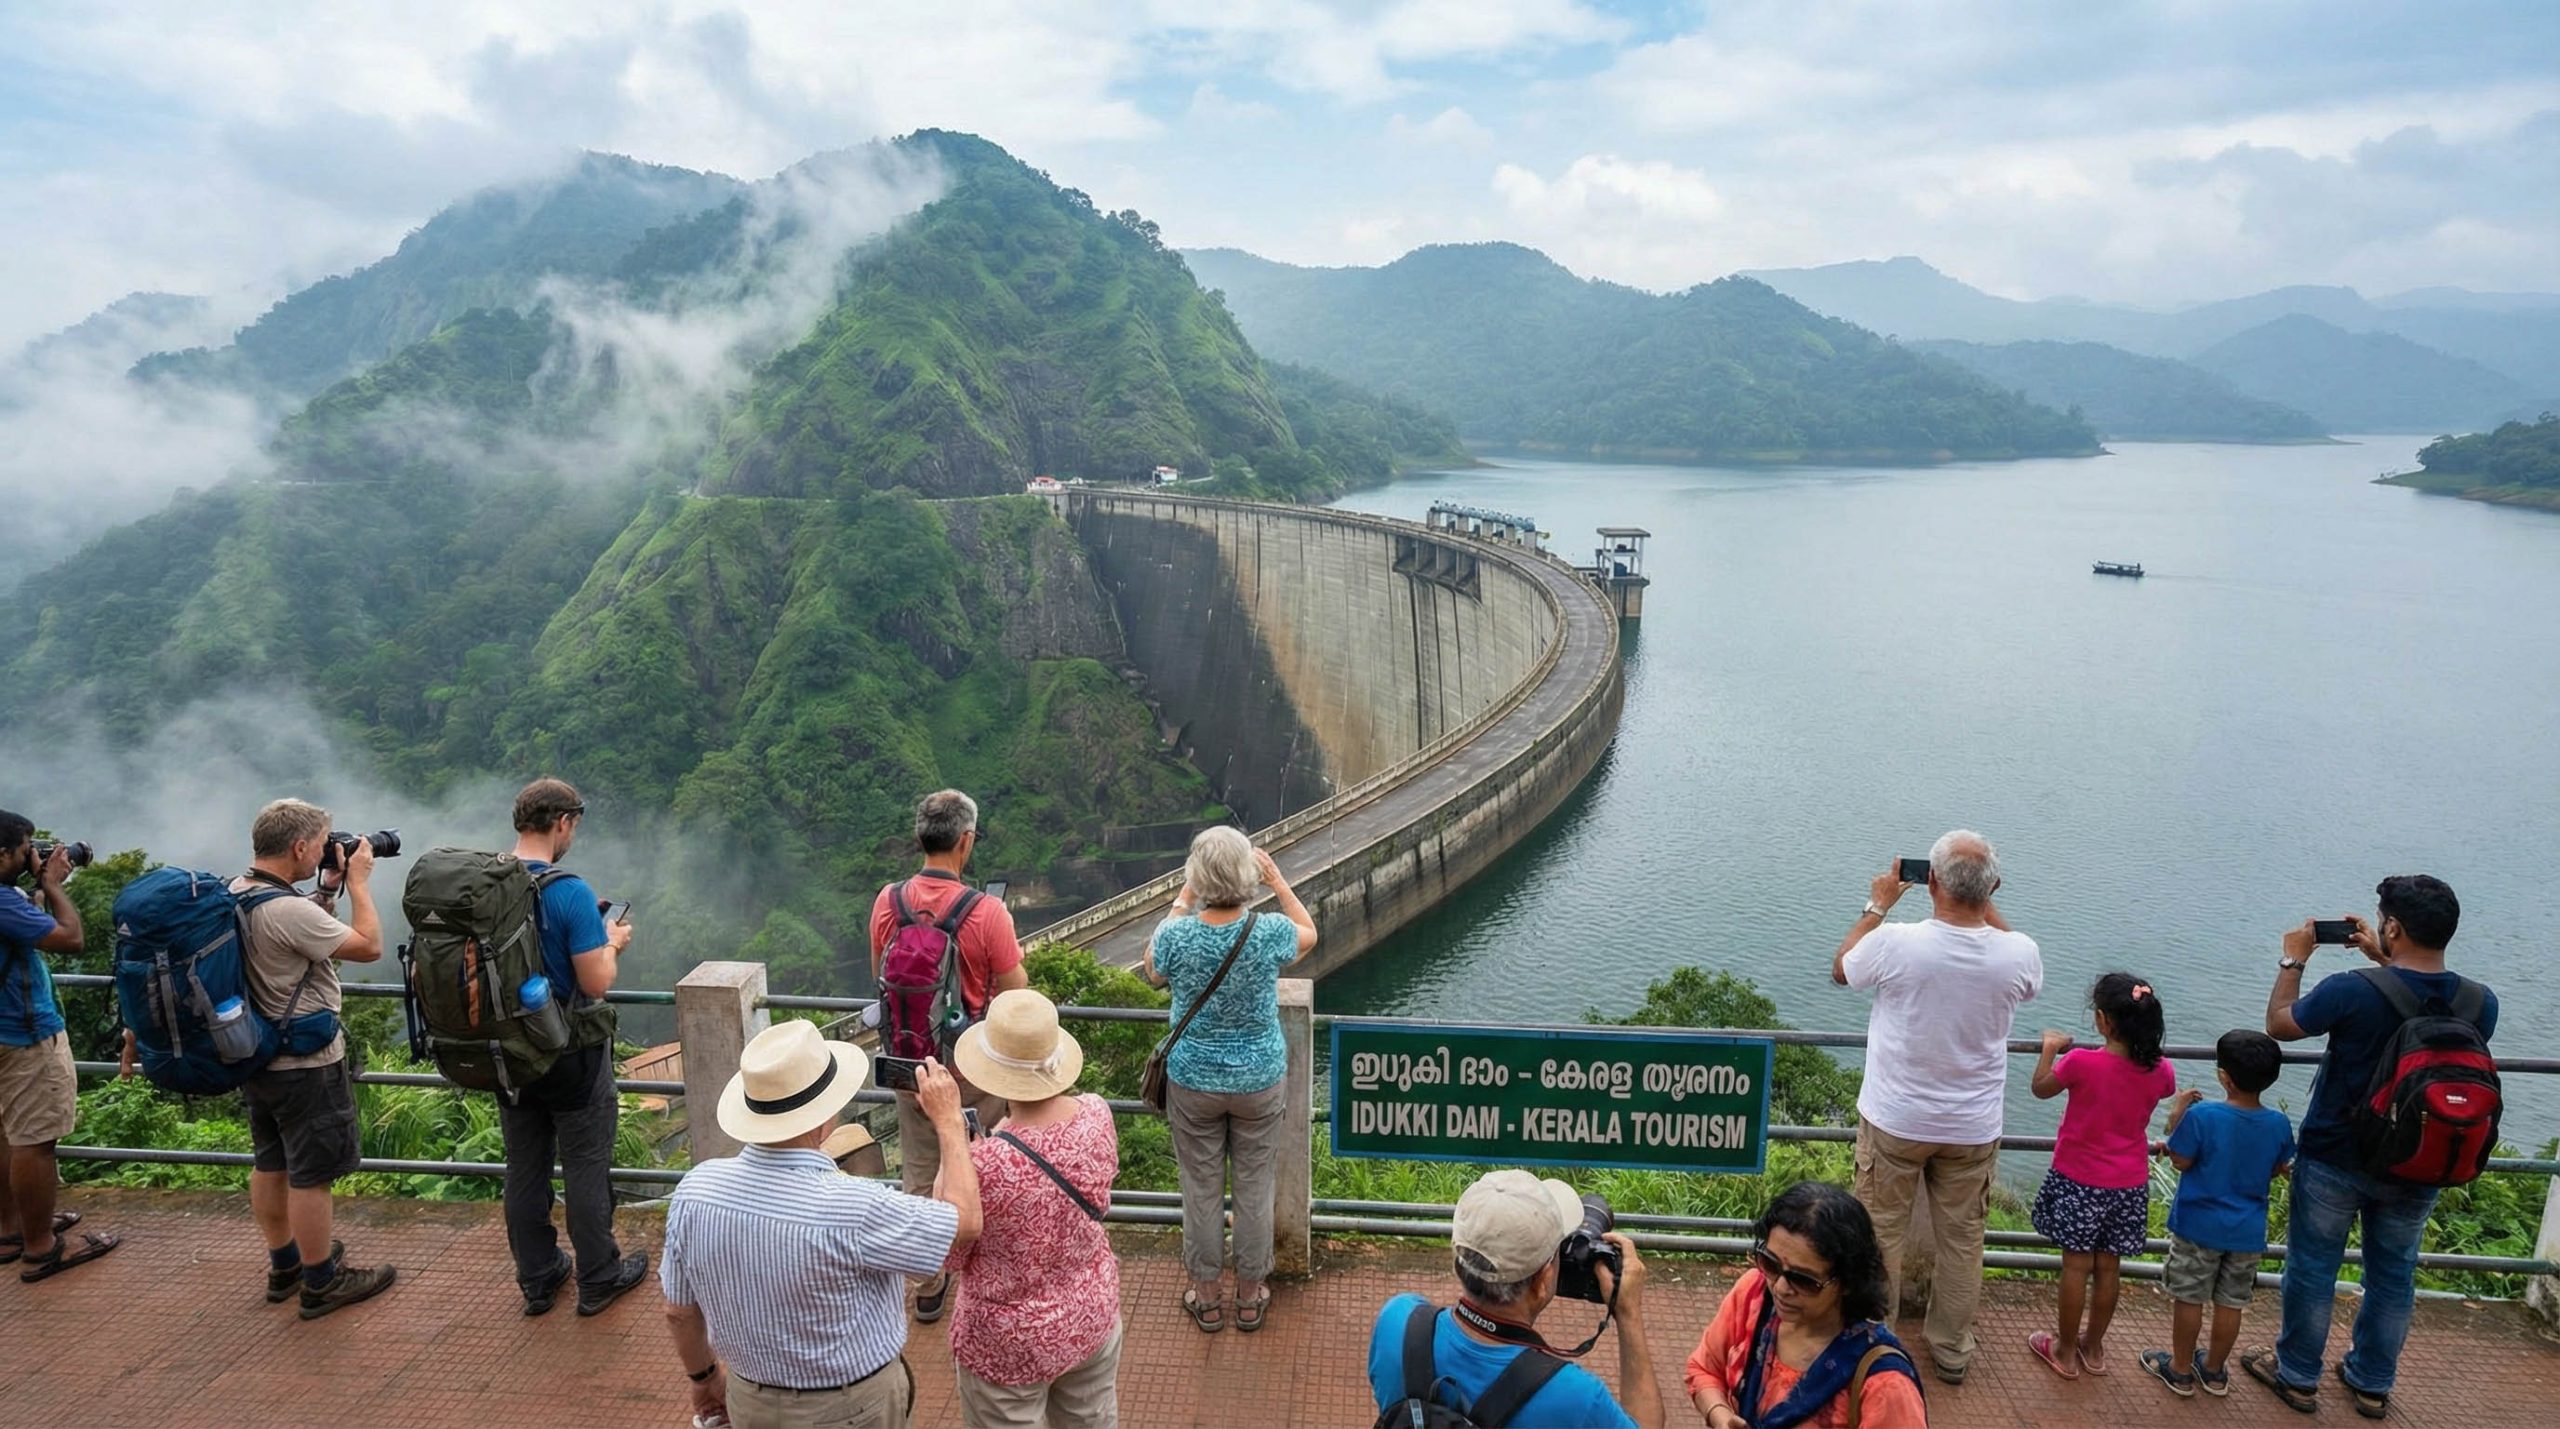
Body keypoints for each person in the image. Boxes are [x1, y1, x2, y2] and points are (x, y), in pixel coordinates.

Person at [2244, 876, 2497, 1419]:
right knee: (2394, 1272)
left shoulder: (2352, 990)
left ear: (2393, 926)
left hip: (2338, 1155)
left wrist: (2293, 961)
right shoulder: (2481, 1002)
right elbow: (2423, 1009)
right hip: (2422, 1158)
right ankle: (2371, 1381)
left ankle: (2297, 1376)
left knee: (2313, 1268)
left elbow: (2280, 1026)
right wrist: (2386, 957)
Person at [661, 1020, 981, 1429]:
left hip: (750, 1399)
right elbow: (964, 1222)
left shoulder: (695, 1192)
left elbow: (678, 1312)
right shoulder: (856, 1206)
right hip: (851, 1408)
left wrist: (704, 1379)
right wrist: (950, 1122)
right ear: (823, 1120)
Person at [1829, 829, 2042, 1384]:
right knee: (1965, 1240)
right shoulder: (2018, 953)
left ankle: (1877, 1349)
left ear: (1932, 884)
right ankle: (1951, 1349)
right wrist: (1980, 896)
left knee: (1880, 1236)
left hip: (1896, 1119)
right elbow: (2023, 971)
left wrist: (1879, 903)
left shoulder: (1897, 942)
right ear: (1993, 887)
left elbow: (1842, 967)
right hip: (1971, 1128)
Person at [1140, 826, 1315, 1334]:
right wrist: (1279, 883)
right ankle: (1250, 1294)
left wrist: (1184, 896)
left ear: (1196, 875)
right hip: (1259, 1080)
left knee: (1200, 1189)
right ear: (1248, 875)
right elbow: (1308, 933)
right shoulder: (1267, 934)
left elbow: (1152, 971)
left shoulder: (1177, 935)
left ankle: (1208, 1297)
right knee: (1255, 1188)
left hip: (1193, 1080)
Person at [234, 798, 397, 1318]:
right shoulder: (288, 909)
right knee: (312, 1173)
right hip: (305, 1061)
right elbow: (369, 946)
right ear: (300, 846)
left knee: (271, 1160)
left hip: (255, 1053)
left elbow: (298, 935)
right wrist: (359, 885)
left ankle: (285, 1264)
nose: (329, 849)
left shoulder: (238, 892)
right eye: (323, 842)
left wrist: (325, 889)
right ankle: (322, 1280)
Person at [868, 788, 1025, 1324]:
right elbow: (1016, 993)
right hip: (971, 1070)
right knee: (988, 1163)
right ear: (966, 841)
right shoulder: (988, 912)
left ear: (920, 838)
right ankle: (990, 1275)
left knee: (920, 1168)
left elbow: (881, 975)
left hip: (911, 1063)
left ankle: (929, 1284)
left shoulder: (888, 902)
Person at [499, 778, 647, 1317]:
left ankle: (538, 1278)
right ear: (562, 822)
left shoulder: (486, 881)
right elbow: (595, 982)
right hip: (568, 1054)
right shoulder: (568, 891)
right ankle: (598, 1277)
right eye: (574, 827)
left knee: (524, 1165)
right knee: (585, 1164)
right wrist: (611, 941)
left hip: (507, 1053)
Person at [944, 988, 1122, 1427]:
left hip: (1008, 1346)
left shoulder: (983, 1165)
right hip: (1090, 1316)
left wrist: (951, 1138)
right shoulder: (1097, 1115)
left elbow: (949, 1254)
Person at [1367, 1169, 1662, 1428]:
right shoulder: (1575, 1398)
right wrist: (1627, 1312)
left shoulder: (1398, 1324)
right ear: (1544, 1280)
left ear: (1458, 1258)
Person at [2025, 972, 2176, 1378]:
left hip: (2079, 1177)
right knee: (2109, 1267)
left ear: (2104, 1022)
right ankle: (2094, 1349)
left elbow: (2041, 1088)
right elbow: (2160, 1091)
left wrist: (2048, 1050)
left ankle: (2065, 1350)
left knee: (2075, 1266)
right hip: (2127, 1182)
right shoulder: (2162, 1071)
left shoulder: (2080, 1063)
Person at [1686, 1182, 1928, 1429]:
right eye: (1770, 1263)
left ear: (1847, 1282)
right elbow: (1704, 1369)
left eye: (1803, 1280)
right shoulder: (1754, 1296)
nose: (1780, 1287)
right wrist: (1721, 1415)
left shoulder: (1886, 1385)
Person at [2141, 1030, 2293, 1399]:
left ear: (2224, 1077)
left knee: (2190, 1297)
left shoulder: (2204, 1115)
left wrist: (2177, 1114)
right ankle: (2213, 1371)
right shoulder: (2277, 1124)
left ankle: (2178, 1370)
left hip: (2198, 1225)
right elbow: (2278, 1167)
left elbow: (2181, 1159)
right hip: (2246, 1230)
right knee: (2231, 1302)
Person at [0, 813, 116, 1281]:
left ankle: (12, 1229)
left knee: (6, 1134)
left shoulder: (9, 901)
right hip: (23, 1035)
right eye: (25, 847)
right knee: (35, 1142)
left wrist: (37, 886)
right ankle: (41, 1247)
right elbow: (71, 938)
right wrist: (55, 886)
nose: (32, 855)